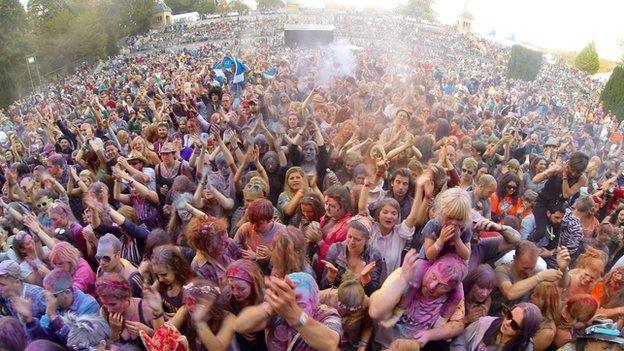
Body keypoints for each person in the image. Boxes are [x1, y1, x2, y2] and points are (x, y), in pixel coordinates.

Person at [369, 252, 468, 350]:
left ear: (451, 289)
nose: (432, 286)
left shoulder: (454, 296)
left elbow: (458, 325)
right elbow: (375, 312)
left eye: (443, 286)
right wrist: (402, 281)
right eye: (434, 276)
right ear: (430, 266)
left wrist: (429, 335)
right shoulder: (406, 273)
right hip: (383, 345)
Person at [235, 272, 342, 351]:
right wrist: (269, 306)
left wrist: (294, 314)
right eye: (291, 299)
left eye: (300, 302)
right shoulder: (279, 311)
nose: (292, 305)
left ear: (314, 299)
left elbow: (330, 343)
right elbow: (240, 326)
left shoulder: (327, 314)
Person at [23, 268, 100, 344]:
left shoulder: (89, 306)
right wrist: (31, 319)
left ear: (67, 292)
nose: (49, 298)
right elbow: (45, 335)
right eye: (46, 294)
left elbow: (79, 342)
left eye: (53, 295)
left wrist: (53, 317)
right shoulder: (54, 303)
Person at [320, 215, 385, 295]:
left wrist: (365, 279)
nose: (351, 242)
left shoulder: (374, 255)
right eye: (349, 236)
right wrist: (330, 277)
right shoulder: (336, 250)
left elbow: (374, 294)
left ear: (367, 240)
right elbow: (322, 288)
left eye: (357, 239)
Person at [449, 302, 543, 351]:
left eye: (514, 325)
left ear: (523, 332)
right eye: (509, 315)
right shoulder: (485, 323)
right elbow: (459, 343)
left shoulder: (525, 348)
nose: (506, 322)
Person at [224, 259, 267, 350]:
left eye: (241, 289)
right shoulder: (227, 298)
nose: (235, 292)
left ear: (254, 284)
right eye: (231, 287)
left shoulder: (264, 299)